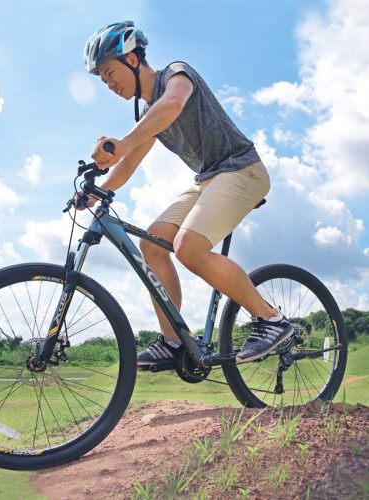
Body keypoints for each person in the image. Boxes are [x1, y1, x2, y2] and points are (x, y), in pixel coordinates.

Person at [82, 21, 293, 368]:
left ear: (132, 60)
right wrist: (96, 192)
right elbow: (129, 161)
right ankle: (173, 340)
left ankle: (271, 319)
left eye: (109, 73)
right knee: (152, 243)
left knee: (188, 247)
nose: (109, 84)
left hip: (242, 169)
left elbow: (173, 104)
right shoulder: (149, 114)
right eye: (103, 80)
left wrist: (122, 143)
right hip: (208, 179)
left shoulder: (176, 75)